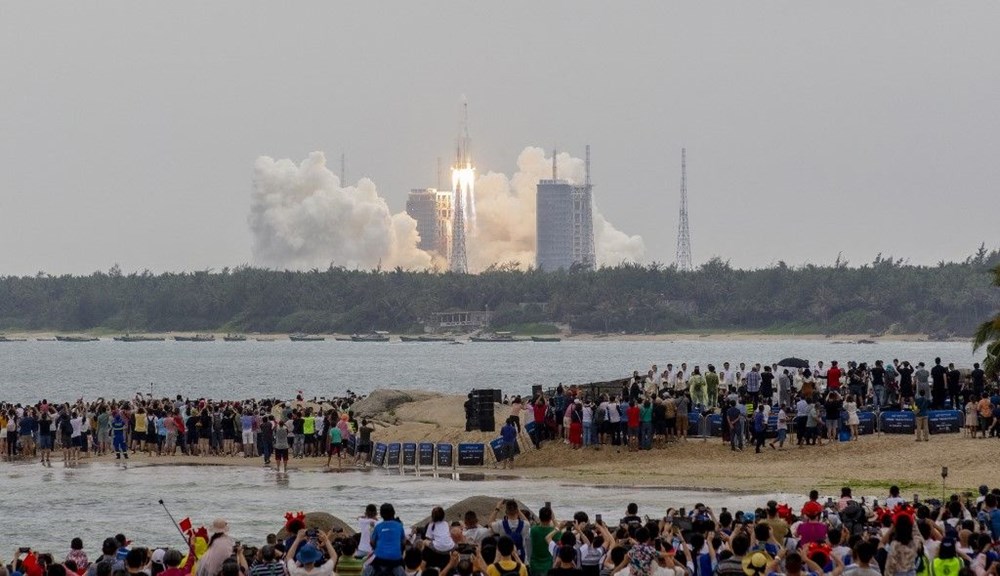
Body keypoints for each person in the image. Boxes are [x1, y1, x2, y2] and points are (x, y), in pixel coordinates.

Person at [364, 503, 406, 576]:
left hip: (380, 558)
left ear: (381, 514)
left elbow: (372, 542)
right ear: (393, 512)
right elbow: (403, 542)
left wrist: (377, 547)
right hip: (396, 559)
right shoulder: (399, 526)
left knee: (367, 570)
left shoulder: (378, 526)